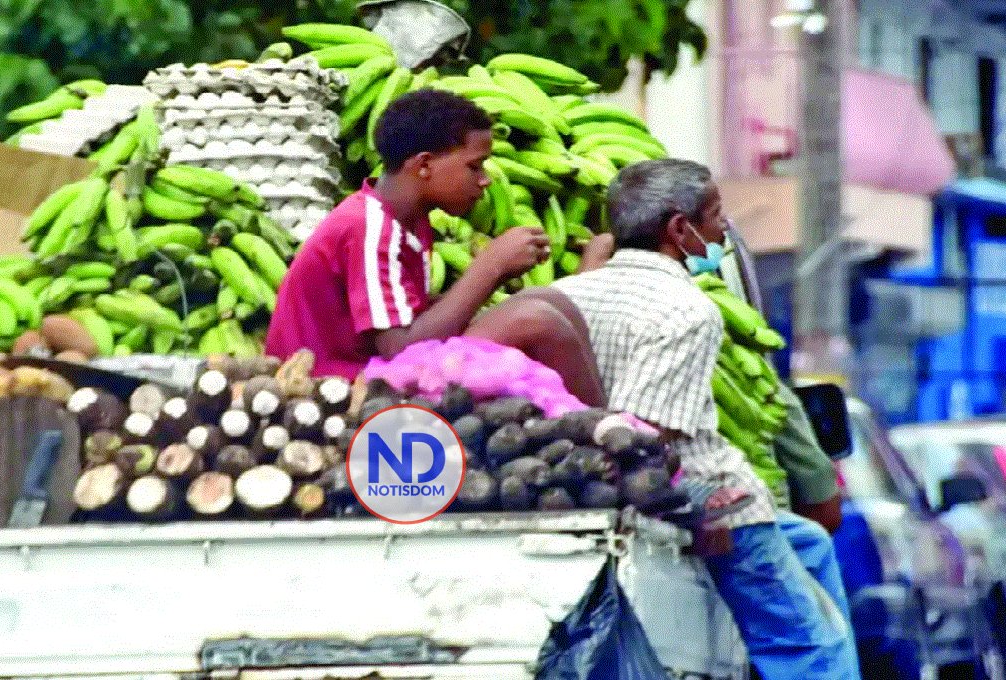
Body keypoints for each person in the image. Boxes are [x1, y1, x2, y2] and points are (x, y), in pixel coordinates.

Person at [469, 159, 859, 680]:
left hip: (626, 478)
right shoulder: (689, 312)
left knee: (809, 543)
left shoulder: (574, 292)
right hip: (710, 497)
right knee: (806, 648)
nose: (723, 231)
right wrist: (699, 514)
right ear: (680, 229)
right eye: (717, 217)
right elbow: (643, 437)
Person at [264, 89, 553, 379]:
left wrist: (496, 277)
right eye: (474, 166)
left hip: (368, 371)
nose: (485, 180)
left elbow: (410, 320)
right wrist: (491, 265)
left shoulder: (411, 221)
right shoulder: (368, 227)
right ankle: (590, 418)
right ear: (424, 165)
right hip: (328, 385)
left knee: (543, 303)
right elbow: (400, 349)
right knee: (536, 321)